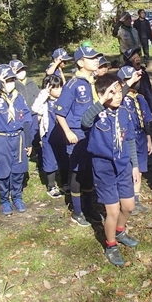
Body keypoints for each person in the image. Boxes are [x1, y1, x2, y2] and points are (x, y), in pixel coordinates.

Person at [81, 73, 140, 267]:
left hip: (123, 165)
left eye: (119, 91)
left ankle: (120, 231)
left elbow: (129, 138)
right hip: (104, 168)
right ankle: (111, 244)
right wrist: (101, 101)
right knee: (112, 211)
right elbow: (85, 122)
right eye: (112, 93)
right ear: (102, 94)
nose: (117, 96)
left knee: (129, 206)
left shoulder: (123, 112)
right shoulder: (97, 113)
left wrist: (135, 166)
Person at [55, 46, 104, 226]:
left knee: (90, 171)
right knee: (77, 172)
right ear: (80, 62)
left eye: (96, 57)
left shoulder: (94, 82)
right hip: (77, 134)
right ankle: (77, 211)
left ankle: (89, 206)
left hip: (94, 133)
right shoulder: (73, 85)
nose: (96, 60)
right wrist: (68, 132)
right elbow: (60, 112)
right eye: (91, 58)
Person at [0, 64, 34, 215]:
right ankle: (4, 200)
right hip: (1, 139)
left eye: (11, 79)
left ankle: (17, 197)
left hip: (18, 138)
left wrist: (28, 142)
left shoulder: (19, 97)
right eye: (6, 80)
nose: (9, 83)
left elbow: (26, 120)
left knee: (18, 170)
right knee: (3, 172)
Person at [118, 66, 152, 215]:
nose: (134, 82)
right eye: (128, 79)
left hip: (140, 137)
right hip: (126, 139)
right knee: (129, 168)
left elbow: (146, 120)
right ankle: (126, 199)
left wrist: (149, 138)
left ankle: (136, 198)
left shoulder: (139, 98)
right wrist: (127, 84)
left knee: (140, 168)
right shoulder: (119, 98)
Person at [30, 75, 69, 199]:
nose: (59, 90)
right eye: (55, 88)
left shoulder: (64, 100)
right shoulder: (45, 103)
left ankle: (65, 183)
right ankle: (51, 186)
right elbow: (35, 107)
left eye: (60, 87)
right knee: (50, 161)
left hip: (63, 135)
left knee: (64, 160)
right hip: (48, 137)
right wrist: (44, 93)